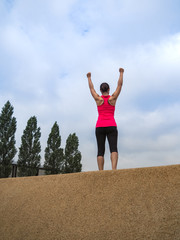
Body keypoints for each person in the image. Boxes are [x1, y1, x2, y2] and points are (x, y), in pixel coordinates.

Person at [87, 68, 124, 170]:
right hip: (111, 125)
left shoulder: (98, 99)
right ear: (108, 89)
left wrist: (89, 78)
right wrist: (121, 73)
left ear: (100, 90)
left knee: (100, 150)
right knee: (113, 148)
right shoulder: (113, 98)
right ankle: (114, 170)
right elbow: (119, 85)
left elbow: (91, 89)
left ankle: (101, 172)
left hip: (100, 126)